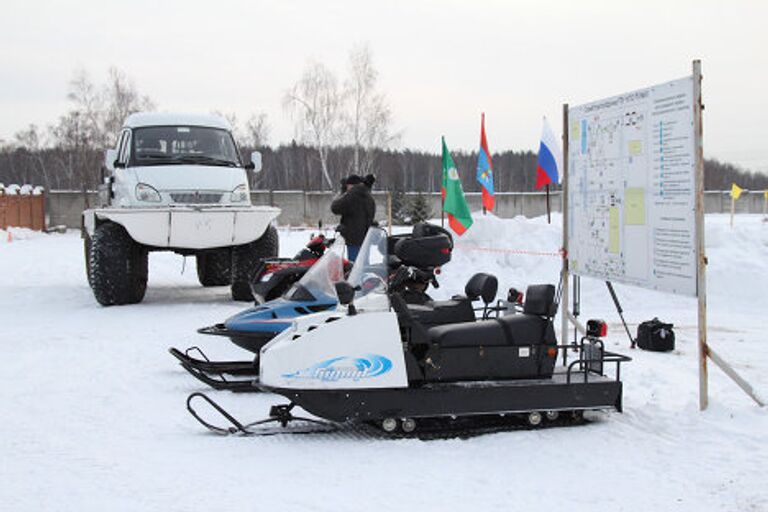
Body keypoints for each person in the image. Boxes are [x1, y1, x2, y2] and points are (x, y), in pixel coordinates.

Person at [331, 174, 376, 261]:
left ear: (350, 185)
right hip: (366, 238)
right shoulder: (369, 197)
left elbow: (335, 208)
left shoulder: (352, 196)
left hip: (353, 239)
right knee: (363, 267)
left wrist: (343, 192)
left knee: (354, 268)